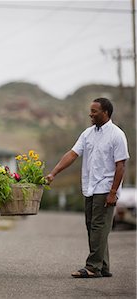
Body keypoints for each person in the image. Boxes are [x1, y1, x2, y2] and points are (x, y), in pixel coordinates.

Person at [45, 97, 129, 278]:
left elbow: (120, 165)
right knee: (93, 226)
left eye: (94, 111)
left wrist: (113, 192)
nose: (90, 114)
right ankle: (103, 266)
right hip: (90, 186)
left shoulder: (117, 135)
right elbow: (72, 154)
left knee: (98, 227)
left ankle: (92, 267)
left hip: (106, 188)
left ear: (105, 113)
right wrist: (54, 173)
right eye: (90, 111)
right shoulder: (88, 134)